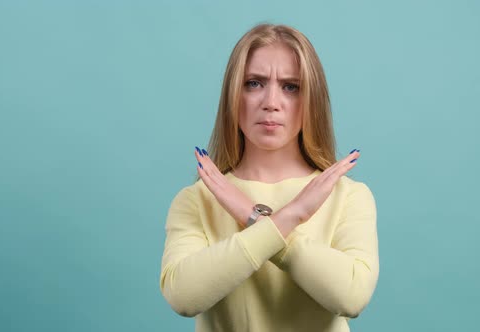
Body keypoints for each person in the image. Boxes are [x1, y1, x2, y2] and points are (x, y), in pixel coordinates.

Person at [159, 23, 379, 332]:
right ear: (233, 96)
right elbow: (183, 297)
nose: (271, 102)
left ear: (311, 100)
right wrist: (289, 217)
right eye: (254, 83)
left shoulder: (348, 196)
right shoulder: (196, 200)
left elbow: (352, 297)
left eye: (290, 87)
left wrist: (253, 218)